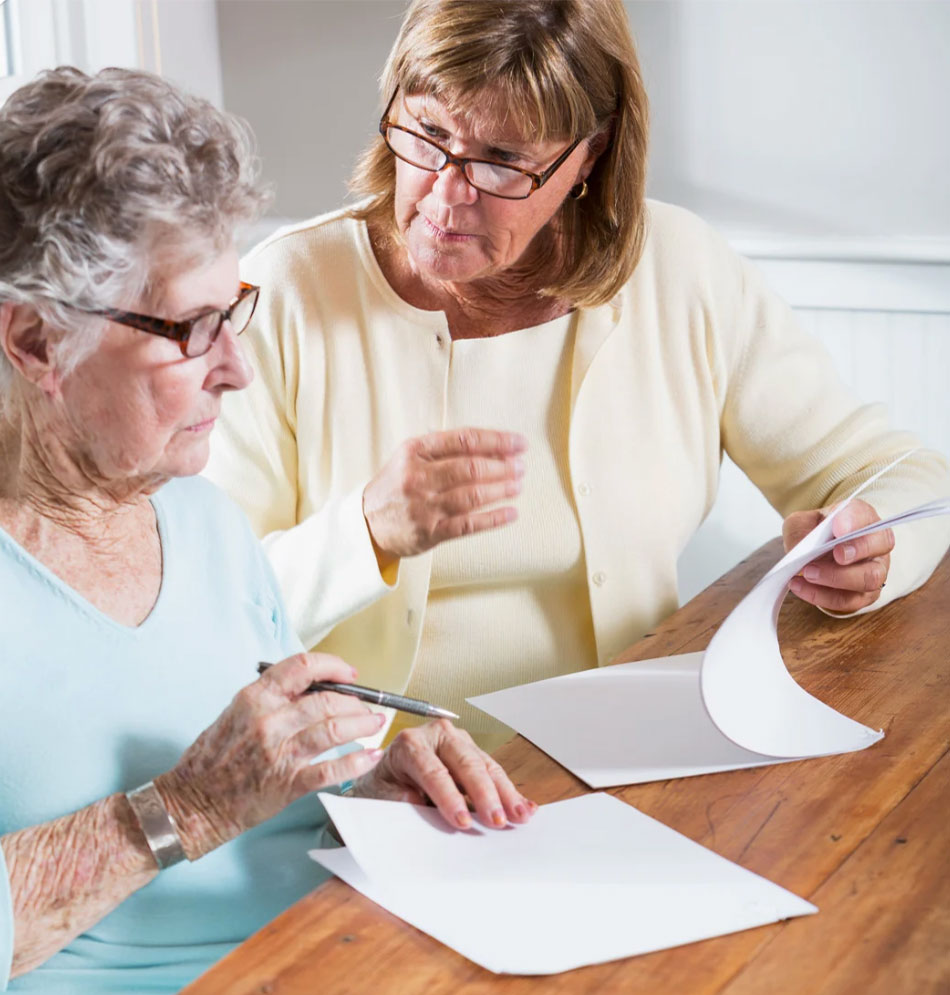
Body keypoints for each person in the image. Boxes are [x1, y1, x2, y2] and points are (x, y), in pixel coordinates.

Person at [0, 66, 535, 995]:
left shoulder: (200, 519)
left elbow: (251, 792)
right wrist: (182, 810)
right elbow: (201, 802)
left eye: (234, 312)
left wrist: (363, 776)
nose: (236, 370)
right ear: (31, 342)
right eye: (190, 329)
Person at [205, 0, 950, 753]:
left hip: (635, 758)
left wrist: (872, 552)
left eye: (501, 160)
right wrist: (367, 531)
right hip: (379, 788)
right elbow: (207, 612)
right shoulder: (285, 292)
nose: (443, 194)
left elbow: (900, 475)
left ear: (588, 157)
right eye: (428, 134)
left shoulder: (679, 271)